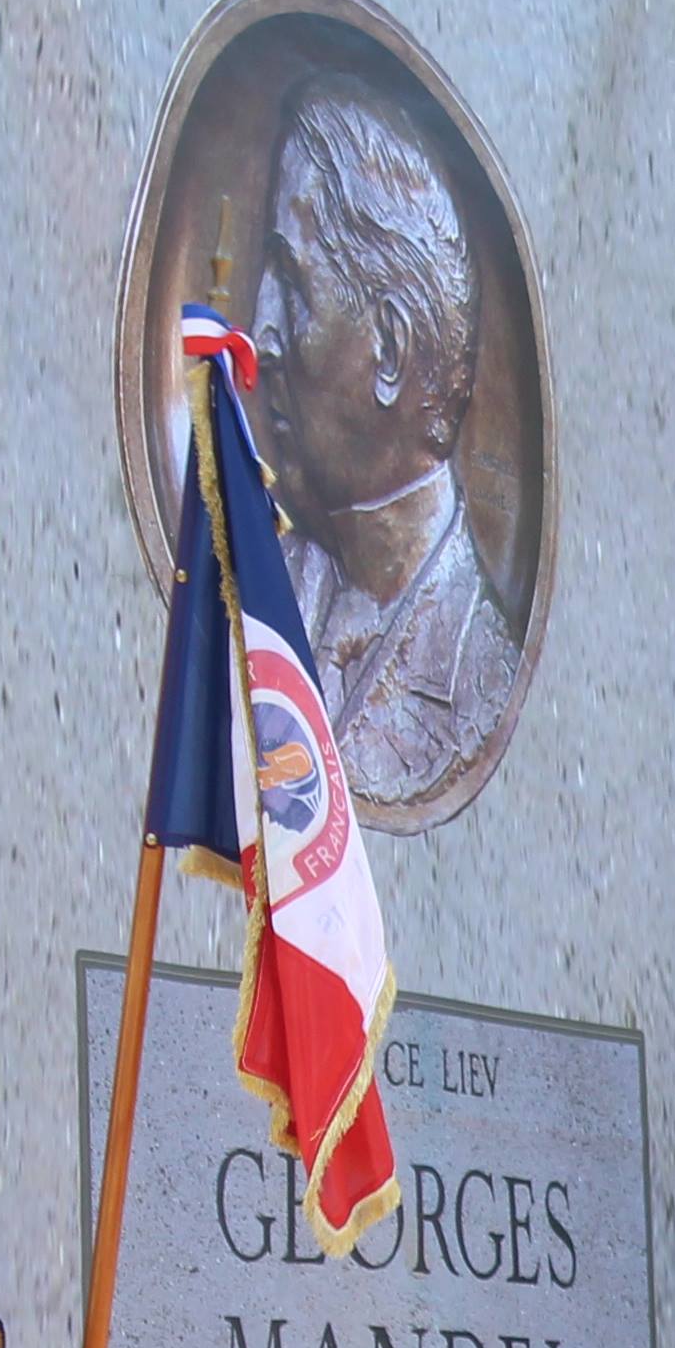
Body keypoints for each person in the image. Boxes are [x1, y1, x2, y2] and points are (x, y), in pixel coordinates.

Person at [250, 73, 528, 818]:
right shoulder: (256, 594)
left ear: (392, 350)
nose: (260, 332)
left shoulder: (481, 674)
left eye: (293, 283)